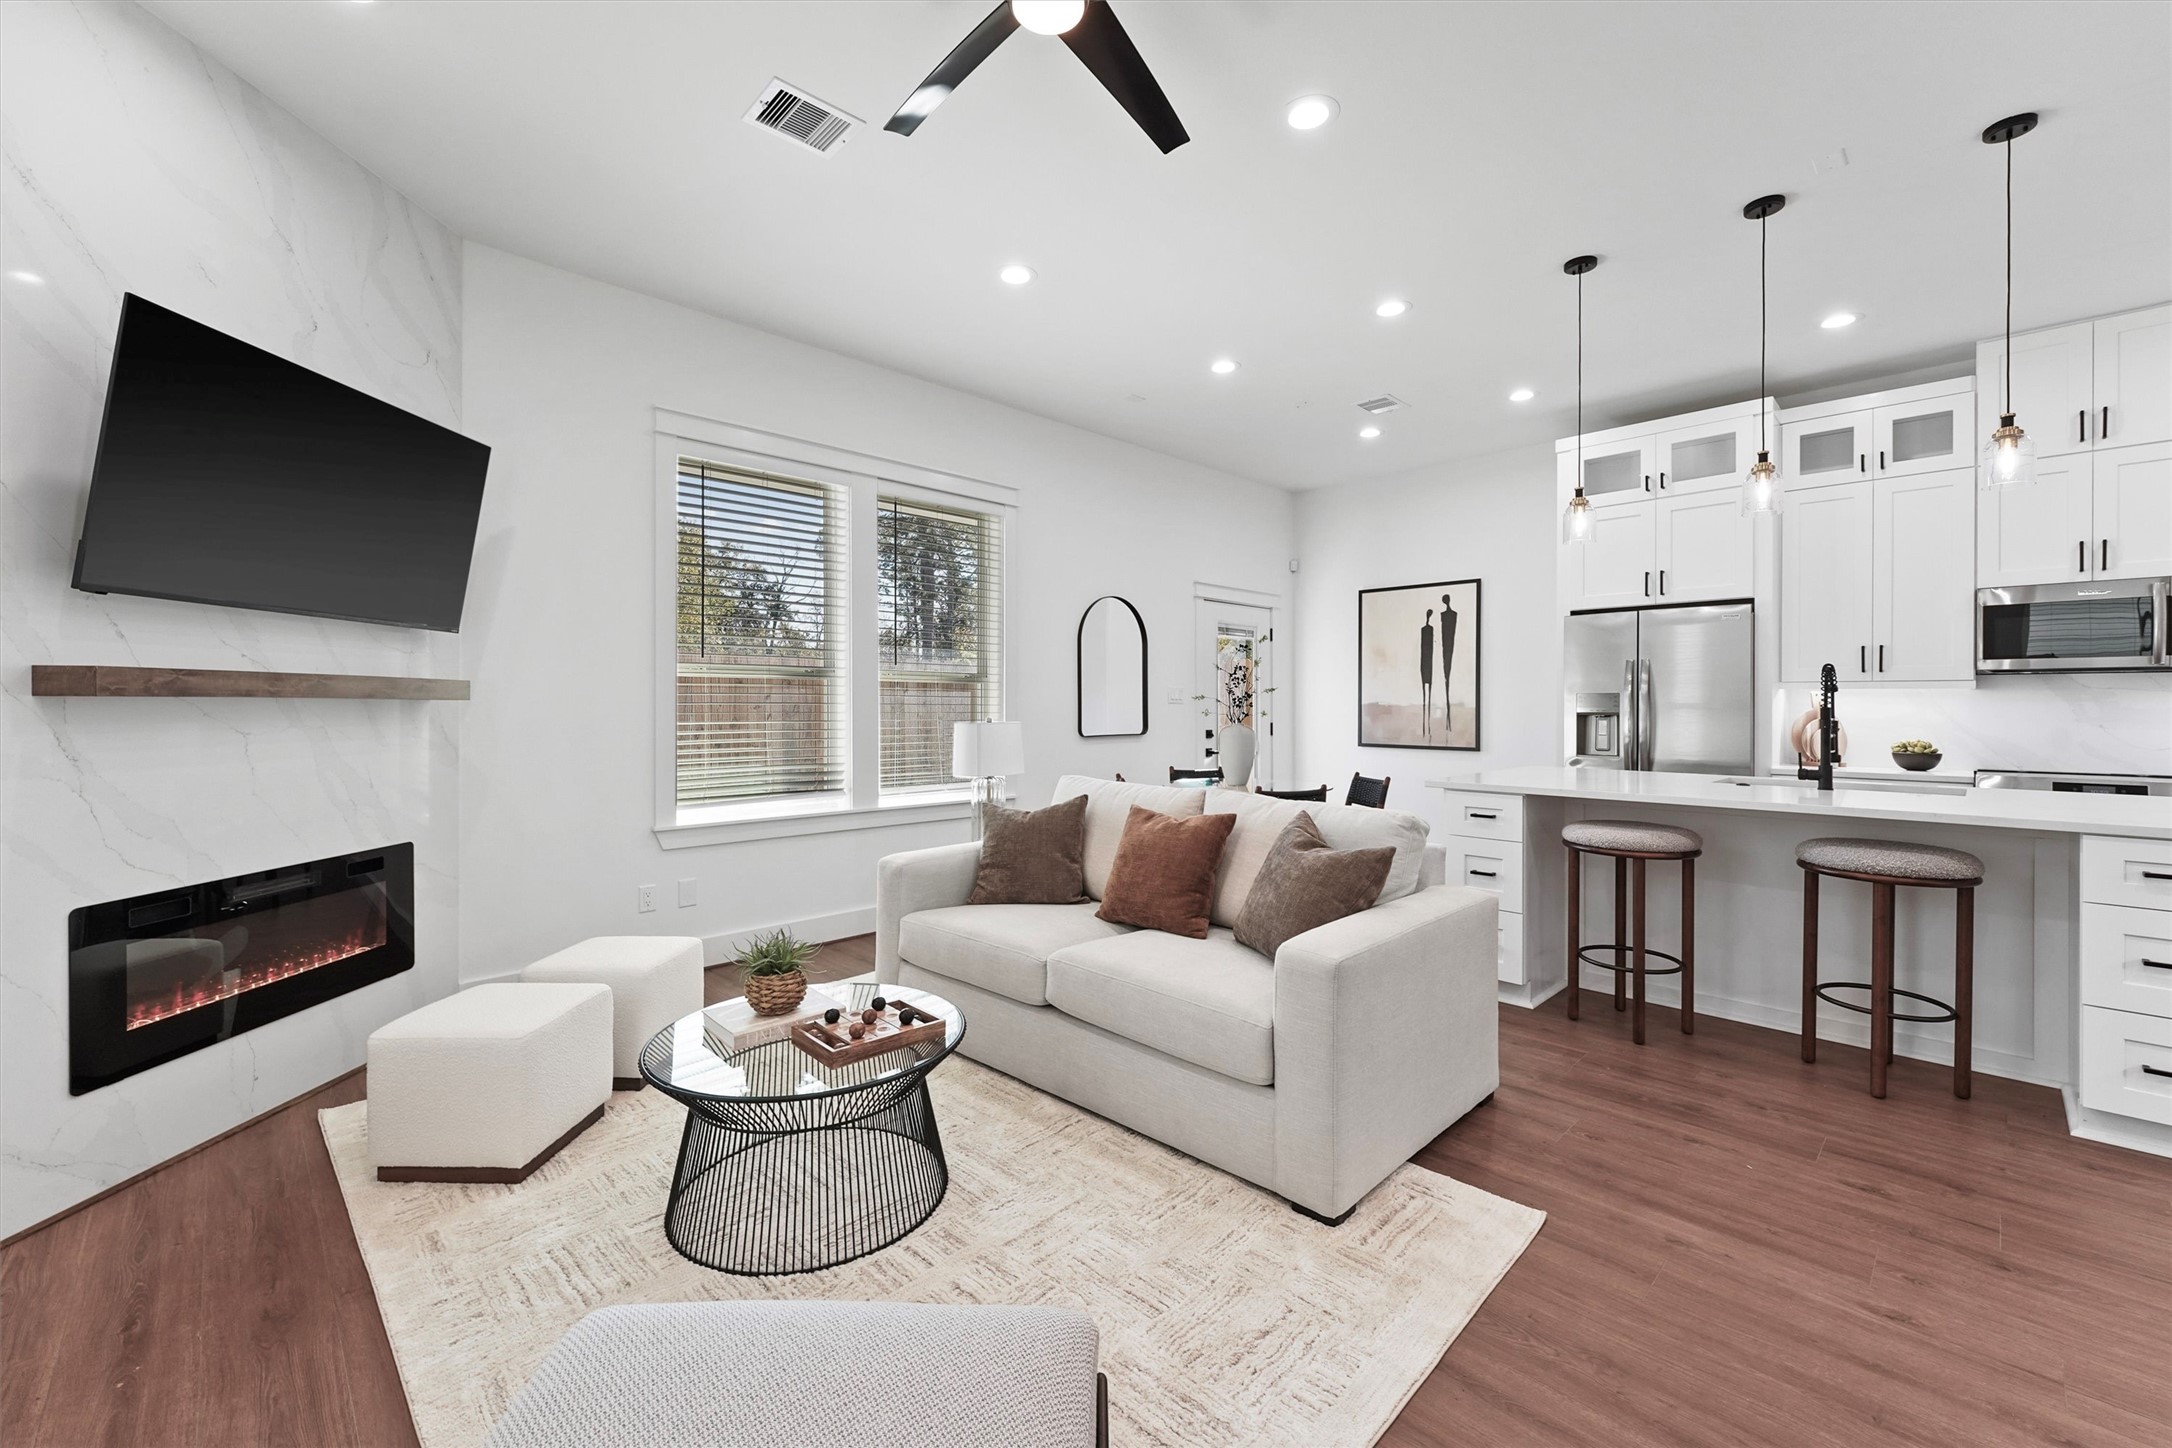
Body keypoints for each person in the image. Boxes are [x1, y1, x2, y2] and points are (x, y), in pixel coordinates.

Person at [1439, 593, 1459, 735]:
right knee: (1447, 671)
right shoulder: (1449, 615)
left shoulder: (1449, 616)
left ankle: (1449, 719)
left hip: (1448, 646)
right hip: (1447, 646)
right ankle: (1448, 719)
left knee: (1448, 669)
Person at [1417, 608, 1436, 740]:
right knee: (1426, 691)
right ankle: (1426, 728)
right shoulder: (1427, 630)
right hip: (1426, 665)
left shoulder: (1426, 630)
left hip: (1426, 665)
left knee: (1426, 691)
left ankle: (1426, 728)